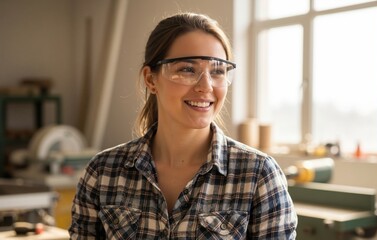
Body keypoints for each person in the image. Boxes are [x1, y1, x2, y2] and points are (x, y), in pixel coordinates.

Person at [69, 12, 297, 239]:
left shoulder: (259, 175)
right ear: (151, 79)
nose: (206, 86)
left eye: (218, 71)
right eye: (187, 69)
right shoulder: (102, 173)